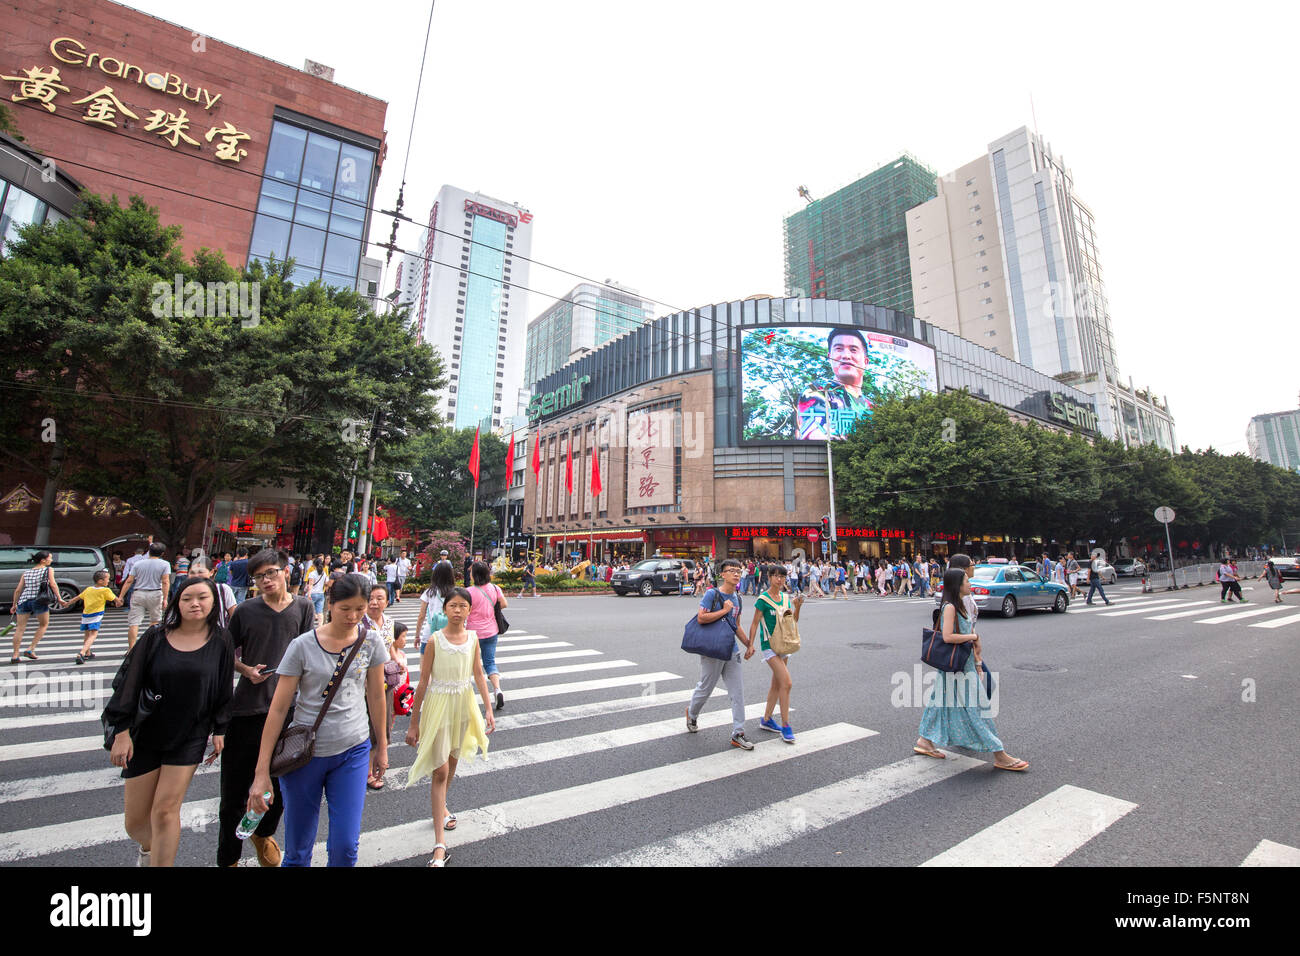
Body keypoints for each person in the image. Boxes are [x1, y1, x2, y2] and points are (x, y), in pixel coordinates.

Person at [246, 573, 389, 868]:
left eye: (360, 610)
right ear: (331, 604)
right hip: (304, 755)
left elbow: (376, 696)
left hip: (353, 749)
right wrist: (262, 772)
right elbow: (278, 708)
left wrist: (382, 747)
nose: (353, 617)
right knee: (298, 850)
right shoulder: (302, 645)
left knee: (346, 847)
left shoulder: (371, 641)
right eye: (345, 609)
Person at [104, 577, 234, 866]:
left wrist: (220, 728)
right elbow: (129, 683)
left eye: (202, 597)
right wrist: (121, 732)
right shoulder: (155, 636)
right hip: (146, 733)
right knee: (135, 822)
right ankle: (149, 850)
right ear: (176, 602)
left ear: (214, 602)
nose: (195, 603)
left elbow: (224, 687)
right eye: (187, 598)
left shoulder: (222, 640)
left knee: (165, 810)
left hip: (190, 734)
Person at [216, 549, 315, 869]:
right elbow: (224, 655)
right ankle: (229, 858)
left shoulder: (303, 607)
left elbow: (308, 653)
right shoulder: (245, 611)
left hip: (288, 711)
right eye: (259, 577)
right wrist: (246, 670)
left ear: (287, 571)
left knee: (282, 788)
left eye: (271, 573)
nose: (266, 581)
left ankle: (263, 834)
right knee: (234, 793)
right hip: (247, 710)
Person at [405, 586, 495, 866]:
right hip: (439, 706)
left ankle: (442, 806)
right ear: (444, 609)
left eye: (462, 606)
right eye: (452, 605)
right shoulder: (435, 640)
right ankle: (439, 844)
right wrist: (413, 722)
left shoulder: (473, 638)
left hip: (463, 705)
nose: (457, 610)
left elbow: (478, 673)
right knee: (440, 770)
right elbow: (422, 683)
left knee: (452, 765)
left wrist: (488, 707)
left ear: (470, 610)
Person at [915, 568, 1028, 771]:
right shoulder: (950, 607)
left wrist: (977, 659)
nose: (970, 583)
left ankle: (924, 740)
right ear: (957, 585)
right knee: (978, 709)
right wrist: (973, 638)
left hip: (963, 664)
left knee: (940, 703)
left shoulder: (961, 605)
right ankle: (999, 754)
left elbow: (968, 630)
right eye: (967, 580)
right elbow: (948, 636)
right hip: (958, 668)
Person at [685, 559, 756, 750]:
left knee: (737, 692)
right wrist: (724, 611)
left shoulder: (738, 598)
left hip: (731, 650)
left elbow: (737, 625)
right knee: (706, 688)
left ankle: (738, 733)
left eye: (738, 570)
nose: (736, 574)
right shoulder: (712, 594)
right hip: (712, 650)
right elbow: (701, 617)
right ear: (722, 575)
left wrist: (748, 644)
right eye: (731, 570)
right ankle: (692, 714)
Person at [752, 564, 801, 743]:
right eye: (776, 576)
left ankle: (766, 719)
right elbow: (754, 623)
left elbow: (792, 621)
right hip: (769, 645)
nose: (779, 579)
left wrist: (798, 607)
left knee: (776, 684)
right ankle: (786, 725)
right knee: (786, 683)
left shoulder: (786, 597)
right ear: (769, 577)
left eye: (782, 576)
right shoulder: (763, 599)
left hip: (784, 645)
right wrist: (750, 645)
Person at [796, 328, 873, 440]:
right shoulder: (818, 391)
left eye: (853, 350)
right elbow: (814, 433)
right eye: (839, 349)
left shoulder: (874, 408)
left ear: (866, 362)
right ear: (829, 357)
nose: (846, 355)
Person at [363, 582, 396, 791]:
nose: (374, 603)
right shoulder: (360, 623)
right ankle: (367, 771)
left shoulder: (389, 621)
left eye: (379, 598)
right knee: (367, 726)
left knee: (382, 723)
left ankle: (376, 760)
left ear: (387, 601)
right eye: (371, 598)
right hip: (364, 682)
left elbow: (389, 646)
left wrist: (397, 661)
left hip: (386, 680)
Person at [8, 550, 68, 662]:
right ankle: (31, 648)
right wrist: (59, 598)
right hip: (39, 600)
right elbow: (53, 584)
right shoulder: (48, 569)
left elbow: (18, 590)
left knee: (20, 628)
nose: (51, 560)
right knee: (43, 624)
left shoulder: (26, 572)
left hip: (23, 600)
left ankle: (15, 655)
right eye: (50, 558)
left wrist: (14, 604)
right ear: (43, 560)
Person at [467, 561, 509, 711]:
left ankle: (467, 695)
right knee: (490, 662)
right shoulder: (495, 588)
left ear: (475, 575)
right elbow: (504, 604)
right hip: (491, 631)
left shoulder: (469, 592)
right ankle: (497, 690)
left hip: (472, 633)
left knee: (471, 665)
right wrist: (490, 607)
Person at [116, 542, 172, 651]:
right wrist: (165, 599)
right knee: (154, 621)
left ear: (149, 551)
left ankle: (131, 649)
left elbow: (129, 581)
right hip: (155, 593)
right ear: (162, 553)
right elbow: (165, 582)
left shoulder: (138, 564)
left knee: (134, 623)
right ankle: (150, 646)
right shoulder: (165, 564)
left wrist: (121, 596)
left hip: (138, 593)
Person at [72, 570, 118, 664]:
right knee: (93, 635)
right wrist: (120, 601)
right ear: (100, 581)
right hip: (96, 615)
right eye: (107, 579)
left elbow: (78, 598)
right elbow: (116, 600)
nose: (108, 581)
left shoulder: (89, 589)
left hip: (86, 615)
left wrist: (66, 603)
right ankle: (81, 653)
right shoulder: (105, 590)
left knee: (87, 634)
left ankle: (88, 653)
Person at [417, 560, 457, 655]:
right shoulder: (456, 593)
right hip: (451, 634)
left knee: (425, 668)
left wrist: (417, 636)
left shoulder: (429, 592)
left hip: (430, 633)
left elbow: (421, 616)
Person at [186, 559, 237, 627]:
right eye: (192, 572)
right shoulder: (184, 593)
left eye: (201, 572)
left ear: (211, 572)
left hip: (219, 635)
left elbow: (234, 616)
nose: (196, 575)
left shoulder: (223, 590)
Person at [384, 621, 410, 748]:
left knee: (391, 721)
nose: (405, 639)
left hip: (399, 694)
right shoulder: (387, 656)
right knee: (386, 721)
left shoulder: (402, 654)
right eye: (403, 636)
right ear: (393, 638)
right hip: (390, 694)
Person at [303, 556, 328, 625]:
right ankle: (320, 626)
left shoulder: (312, 573)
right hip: (321, 593)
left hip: (313, 593)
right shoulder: (324, 573)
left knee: (309, 610)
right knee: (320, 612)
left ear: (314, 565)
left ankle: (308, 625)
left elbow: (310, 585)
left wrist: (309, 594)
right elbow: (326, 583)